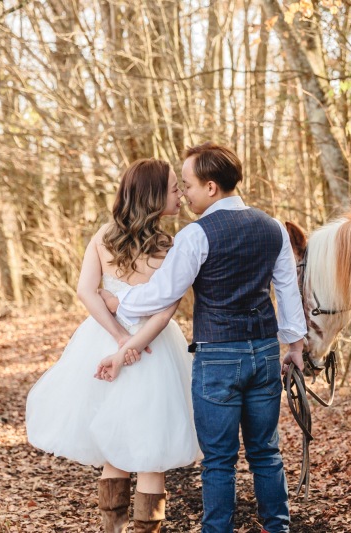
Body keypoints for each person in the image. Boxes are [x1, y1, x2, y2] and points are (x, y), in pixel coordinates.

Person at [98, 142, 306, 533]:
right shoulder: (274, 227)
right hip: (263, 351)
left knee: (219, 460)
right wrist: (294, 347)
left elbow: (163, 294)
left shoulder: (196, 235)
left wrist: (118, 297)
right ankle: (278, 528)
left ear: (211, 187)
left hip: (218, 358)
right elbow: (287, 292)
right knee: (267, 453)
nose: (185, 194)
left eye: (189, 184)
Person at [26, 159, 200, 533]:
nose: (181, 194)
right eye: (173, 188)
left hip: (104, 340)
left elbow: (87, 292)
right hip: (152, 348)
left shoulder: (104, 237)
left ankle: (113, 530)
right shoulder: (170, 247)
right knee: (152, 455)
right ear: (154, 195)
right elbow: (164, 313)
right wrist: (130, 344)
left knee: (115, 449)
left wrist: (120, 340)